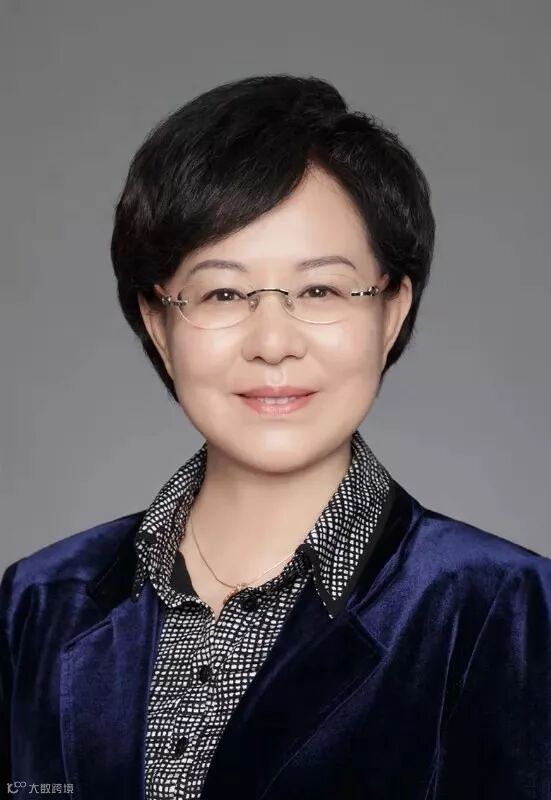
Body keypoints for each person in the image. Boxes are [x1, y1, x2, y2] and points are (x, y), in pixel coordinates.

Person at [1, 74, 550, 800]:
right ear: (158, 323)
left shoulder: (505, 608)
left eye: (320, 290)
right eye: (223, 292)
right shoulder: (40, 600)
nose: (272, 343)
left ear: (391, 311)